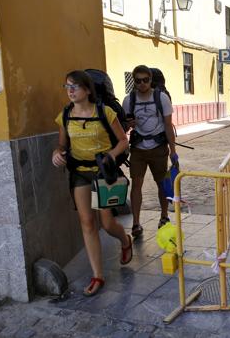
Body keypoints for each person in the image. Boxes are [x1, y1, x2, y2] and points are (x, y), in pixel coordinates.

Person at [52, 70, 132, 297]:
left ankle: (125, 240)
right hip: (80, 173)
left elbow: (123, 141)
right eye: (67, 86)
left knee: (106, 223)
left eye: (75, 86)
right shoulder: (65, 115)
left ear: (87, 90)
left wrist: (110, 156)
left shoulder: (105, 112)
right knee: (87, 223)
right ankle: (98, 275)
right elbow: (62, 145)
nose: (70, 90)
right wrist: (57, 153)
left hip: (103, 172)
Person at [123, 65, 177, 237]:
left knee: (161, 183)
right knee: (136, 185)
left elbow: (168, 126)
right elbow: (124, 126)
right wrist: (128, 125)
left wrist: (173, 150)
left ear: (150, 80)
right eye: (138, 80)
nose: (142, 84)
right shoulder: (128, 100)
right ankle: (136, 223)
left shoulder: (161, 98)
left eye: (145, 80)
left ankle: (164, 216)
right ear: (134, 81)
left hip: (158, 148)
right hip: (138, 148)